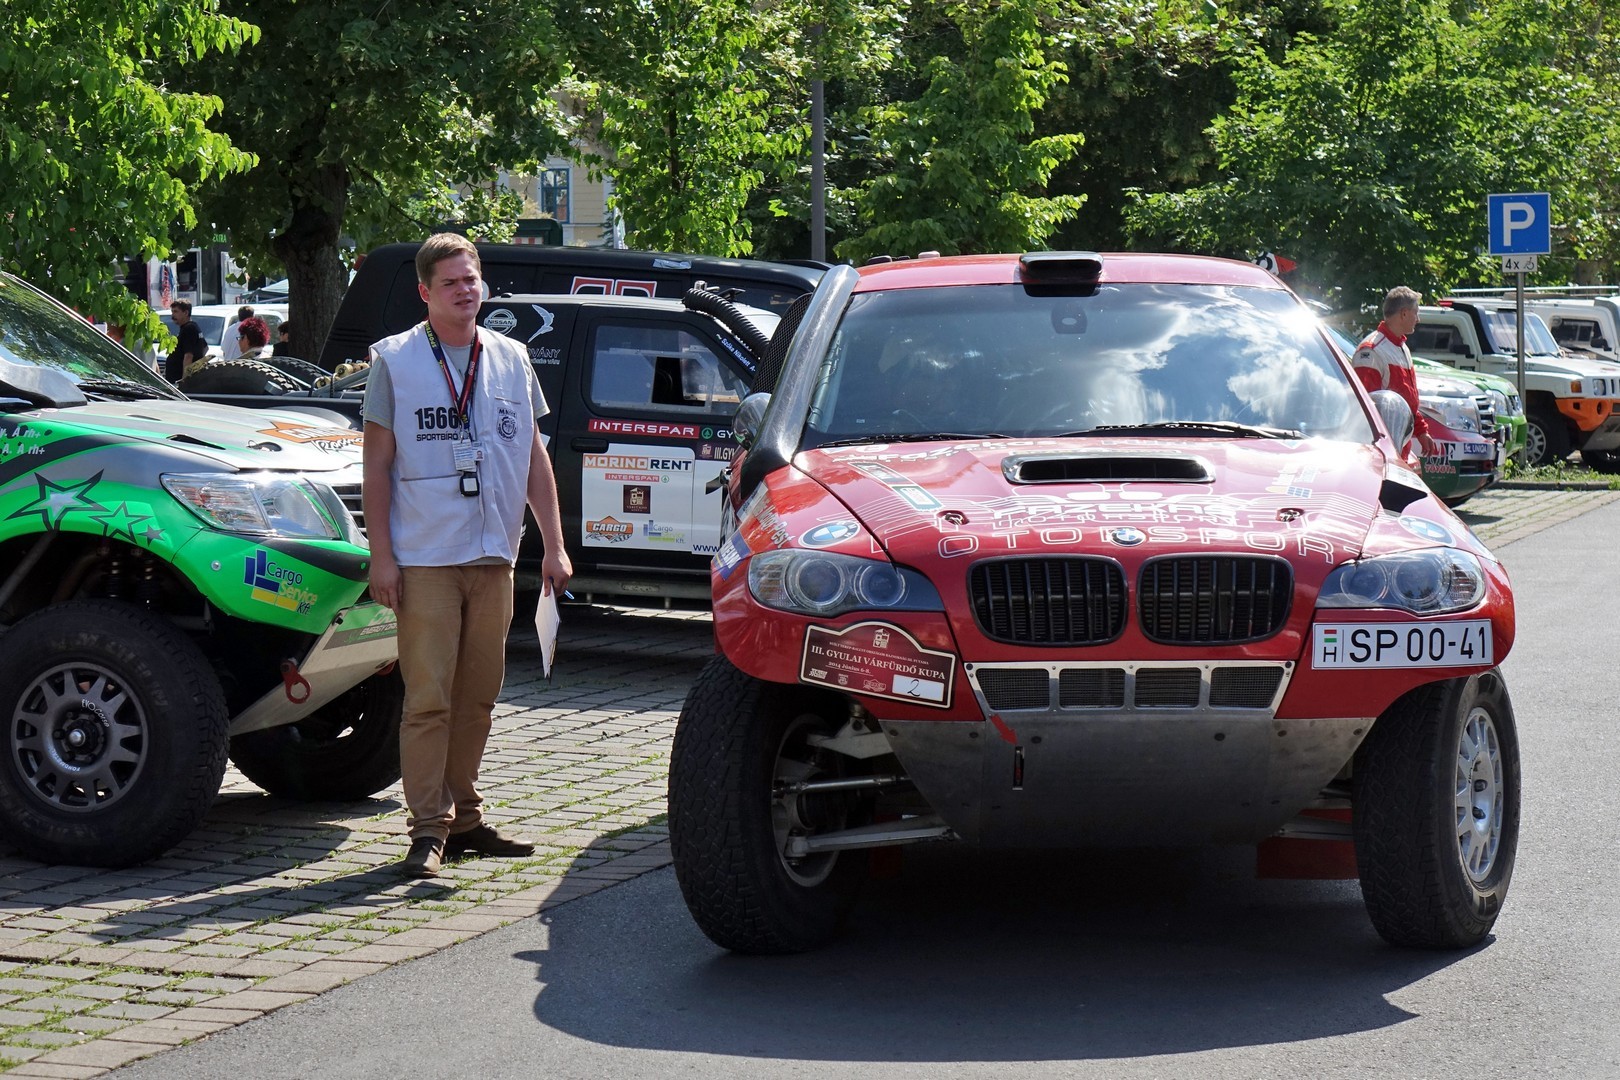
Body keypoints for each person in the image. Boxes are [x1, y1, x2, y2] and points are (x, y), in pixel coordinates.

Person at [361, 232, 572, 878]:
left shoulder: (511, 358)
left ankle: (466, 820)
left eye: (471, 279)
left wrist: (555, 545)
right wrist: (381, 557)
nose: (464, 291)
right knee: (429, 699)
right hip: (425, 556)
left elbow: (533, 457)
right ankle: (428, 829)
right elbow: (376, 467)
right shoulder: (396, 361)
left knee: (479, 697)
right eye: (450, 282)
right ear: (425, 292)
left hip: (494, 555)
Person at [1353, 286, 1436, 459]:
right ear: (1404, 313)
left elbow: (1407, 402)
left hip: (1397, 448)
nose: (1418, 319)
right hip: (1380, 454)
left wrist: (1421, 432)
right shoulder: (1372, 350)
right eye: (1416, 312)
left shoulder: (1401, 347)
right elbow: (1366, 410)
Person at [164, 300, 208, 383]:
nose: (173, 315)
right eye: (172, 311)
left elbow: (188, 356)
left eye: (176, 311)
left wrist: (185, 381)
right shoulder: (193, 326)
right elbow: (205, 348)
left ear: (186, 313)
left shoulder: (189, 329)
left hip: (178, 381)